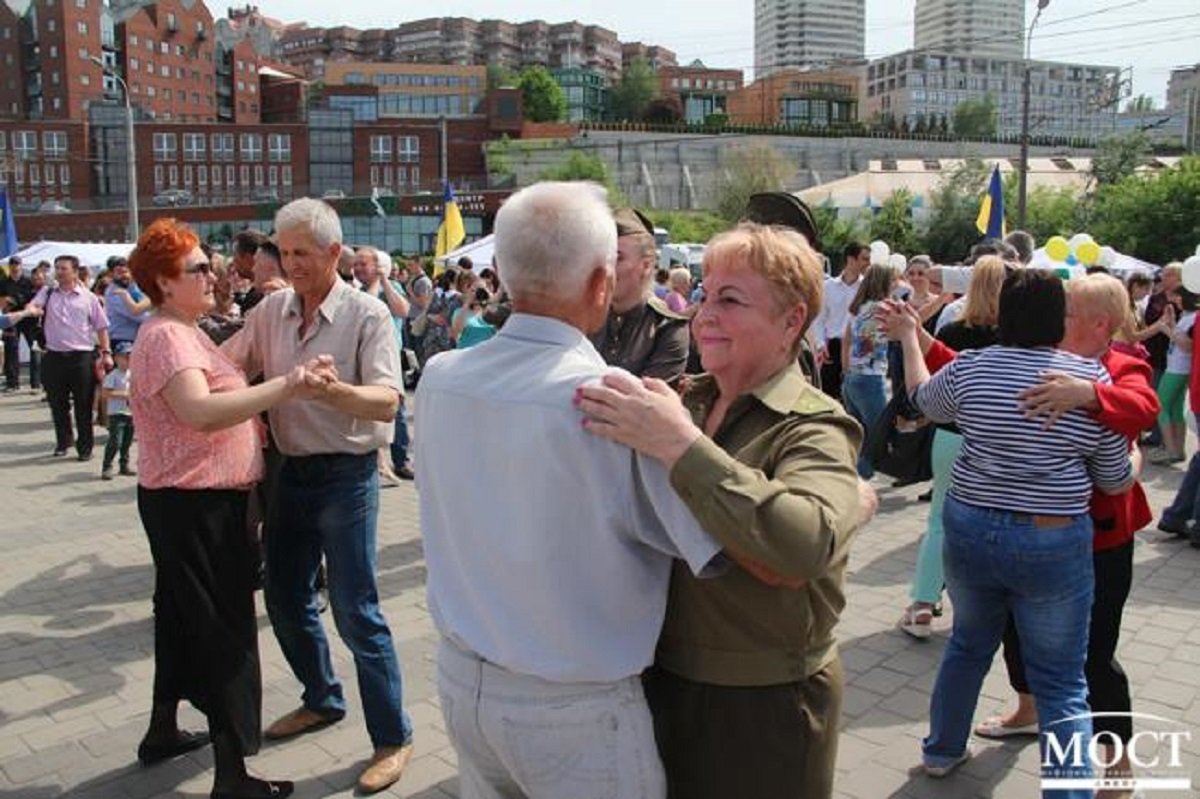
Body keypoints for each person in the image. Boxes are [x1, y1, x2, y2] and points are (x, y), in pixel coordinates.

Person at [417, 182, 791, 799]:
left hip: (463, 685)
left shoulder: (440, 376)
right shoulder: (613, 399)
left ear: (505, 274)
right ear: (600, 282)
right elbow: (737, 551)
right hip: (573, 708)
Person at [578, 221, 865, 798]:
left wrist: (680, 446)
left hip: (761, 706)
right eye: (706, 294)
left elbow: (803, 543)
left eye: (731, 299)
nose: (704, 313)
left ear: (791, 321)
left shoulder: (815, 425)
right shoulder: (689, 398)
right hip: (659, 678)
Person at [898, 270, 1133, 795]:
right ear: (1058, 320)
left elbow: (924, 400)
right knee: (1061, 680)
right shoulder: (1086, 382)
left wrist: (911, 339)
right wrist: (1134, 458)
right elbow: (1115, 478)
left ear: (1004, 315)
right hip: (1053, 543)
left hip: (971, 528)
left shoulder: (975, 369)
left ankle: (941, 751)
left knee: (967, 645)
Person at [222, 198, 414, 795]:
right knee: (282, 596)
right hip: (289, 472)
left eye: (304, 252)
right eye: (284, 250)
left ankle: (393, 737)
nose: (291, 262)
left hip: (347, 475)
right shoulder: (271, 311)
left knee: (357, 611)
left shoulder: (367, 315)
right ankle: (322, 698)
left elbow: (388, 401)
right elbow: (230, 368)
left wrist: (334, 394)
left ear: (335, 253)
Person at [128, 217, 307, 799]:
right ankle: (233, 775)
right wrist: (288, 386)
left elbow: (227, 370)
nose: (214, 274)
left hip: (191, 502)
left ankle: (161, 730)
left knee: (181, 620)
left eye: (210, 264)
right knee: (221, 631)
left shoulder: (185, 330)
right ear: (162, 281)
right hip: (195, 506)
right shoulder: (168, 336)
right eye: (197, 269)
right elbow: (200, 411)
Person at [895, 255, 1005, 638]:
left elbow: (935, 385)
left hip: (951, 436)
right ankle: (978, 608)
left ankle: (924, 604)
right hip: (995, 442)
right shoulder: (1018, 335)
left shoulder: (954, 330)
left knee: (940, 521)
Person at [591, 207, 691, 383]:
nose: (604, 268)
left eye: (617, 258)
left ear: (646, 265)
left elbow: (644, 401)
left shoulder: (666, 328)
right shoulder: (584, 319)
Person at [30, 255, 114, 460]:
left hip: (82, 357)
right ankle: (63, 441)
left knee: (83, 404)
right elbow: (33, 306)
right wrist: (31, 310)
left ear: (75, 272)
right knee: (57, 403)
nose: (59, 272)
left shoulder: (89, 297)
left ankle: (84, 447)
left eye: (63, 268)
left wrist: (106, 353)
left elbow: (101, 328)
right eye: (57, 268)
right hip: (54, 356)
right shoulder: (48, 292)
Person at [351, 246, 413, 483]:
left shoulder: (392, 287)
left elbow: (403, 310)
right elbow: (367, 303)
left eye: (363, 264)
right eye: (355, 264)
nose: (358, 269)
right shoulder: (356, 291)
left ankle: (401, 461)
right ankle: (376, 460)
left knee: (397, 409)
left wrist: (384, 280)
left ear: (377, 266)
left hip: (390, 356)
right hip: (363, 356)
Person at [841, 263, 898, 478]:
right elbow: (911, 325)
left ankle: (849, 477)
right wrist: (939, 302)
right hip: (871, 378)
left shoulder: (857, 309)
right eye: (893, 280)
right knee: (879, 435)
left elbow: (846, 341)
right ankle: (858, 480)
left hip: (853, 377)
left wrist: (846, 372)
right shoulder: (884, 309)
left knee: (859, 436)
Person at [814, 242, 868, 400]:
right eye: (864, 259)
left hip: (859, 347)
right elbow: (819, 318)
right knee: (828, 396)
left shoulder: (868, 287)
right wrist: (820, 343)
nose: (868, 263)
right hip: (833, 347)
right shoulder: (828, 287)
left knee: (855, 398)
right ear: (851, 259)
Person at [100, 341, 136, 481]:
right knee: (116, 441)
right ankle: (107, 466)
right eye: (124, 356)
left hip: (131, 413)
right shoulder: (113, 376)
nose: (128, 360)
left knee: (127, 441)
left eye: (131, 356)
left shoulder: (133, 374)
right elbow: (105, 394)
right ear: (116, 358)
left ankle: (124, 464)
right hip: (117, 413)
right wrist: (126, 394)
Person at [104, 256, 152, 350]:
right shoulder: (114, 293)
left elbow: (141, 299)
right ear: (111, 274)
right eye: (119, 273)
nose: (124, 275)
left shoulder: (131, 287)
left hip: (137, 338)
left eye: (126, 272)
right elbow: (137, 315)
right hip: (122, 340)